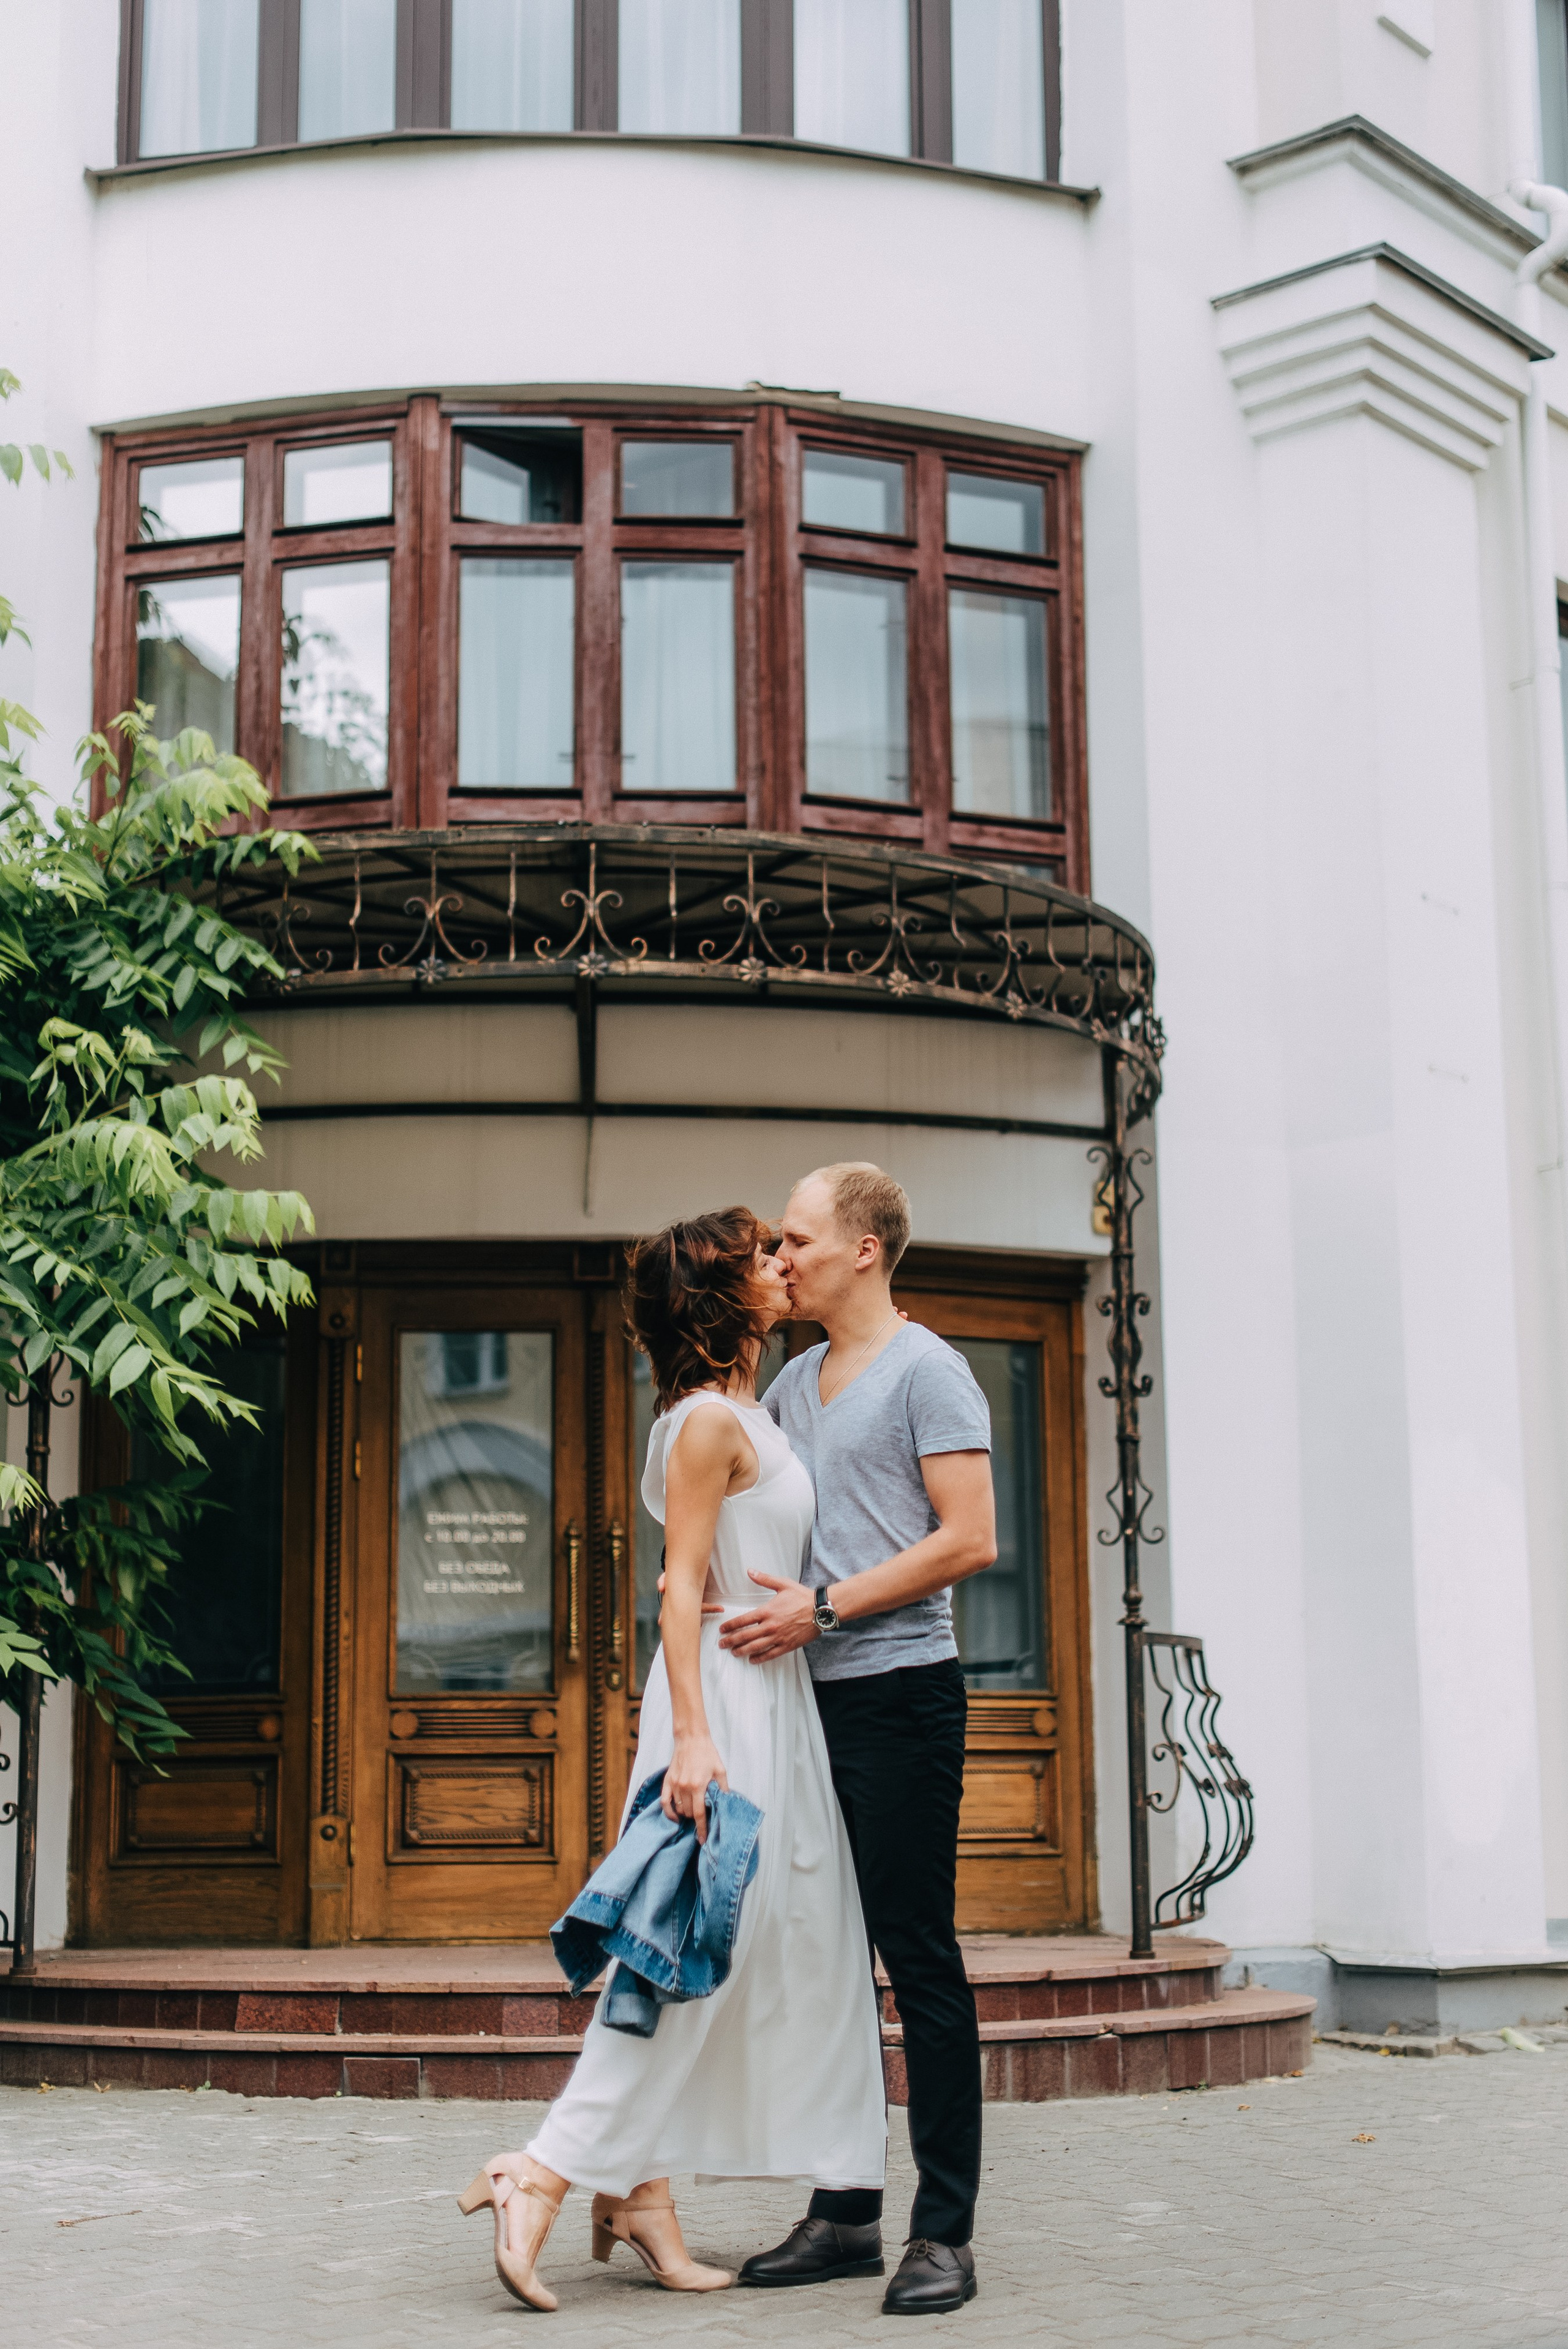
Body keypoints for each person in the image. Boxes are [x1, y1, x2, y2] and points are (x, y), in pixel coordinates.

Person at [456, 1207, 886, 2312]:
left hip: (774, 1701)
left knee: (763, 1947)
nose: (782, 1267)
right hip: (726, 1710)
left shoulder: (751, 1408)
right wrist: (694, 1741)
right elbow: (675, 1593)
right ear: (721, 1294)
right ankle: (544, 2173)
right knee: (690, 1947)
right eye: (761, 1259)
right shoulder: (703, 1422)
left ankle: (638, 2193)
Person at [722, 1163, 996, 2318]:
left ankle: (944, 2233)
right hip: (803, 1703)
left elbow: (969, 1538)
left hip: (900, 1696)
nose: (782, 1257)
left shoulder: (931, 1371)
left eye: (797, 1239)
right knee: (827, 1962)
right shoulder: (792, 1380)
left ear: (865, 1248)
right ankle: (843, 2215)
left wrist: (824, 1609)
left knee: (915, 1955)